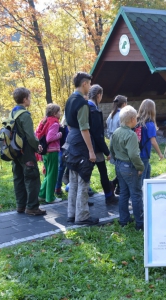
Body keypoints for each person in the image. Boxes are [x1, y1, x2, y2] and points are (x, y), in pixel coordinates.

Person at [64, 72, 99, 225]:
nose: (90, 87)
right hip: (81, 144)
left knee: (73, 182)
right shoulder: (82, 103)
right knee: (83, 181)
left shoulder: (69, 100)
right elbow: (84, 128)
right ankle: (82, 216)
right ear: (84, 84)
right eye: (89, 84)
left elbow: (70, 125)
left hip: (70, 142)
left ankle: (71, 214)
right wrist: (91, 151)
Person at [10, 87, 46, 216]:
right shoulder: (24, 115)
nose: (30, 100)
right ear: (25, 99)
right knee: (32, 178)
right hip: (26, 152)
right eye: (29, 97)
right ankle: (32, 207)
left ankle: (21, 205)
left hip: (14, 151)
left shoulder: (12, 113)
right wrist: (38, 147)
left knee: (18, 178)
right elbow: (30, 136)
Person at [110, 105, 144, 231]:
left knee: (124, 193)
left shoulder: (116, 132)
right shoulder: (131, 135)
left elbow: (112, 150)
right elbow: (134, 154)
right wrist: (140, 166)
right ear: (132, 119)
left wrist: (116, 160)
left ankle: (123, 220)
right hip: (129, 167)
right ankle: (140, 223)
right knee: (136, 194)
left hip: (119, 165)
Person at [87, 84, 117, 205]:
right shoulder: (94, 110)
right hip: (95, 148)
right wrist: (107, 151)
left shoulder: (84, 107)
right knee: (102, 172)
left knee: (86, 174)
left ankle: (82, 198)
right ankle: (109, 196)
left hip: (86, 146)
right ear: (98, 95)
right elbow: (97, 134)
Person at [36, 104, 63, 203]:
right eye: (59, 112)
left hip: (44, 152)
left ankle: (42, 195)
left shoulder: (44, 121)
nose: (60, 114)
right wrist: (59, 134)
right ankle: (50, 198)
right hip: (52, 151)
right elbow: (49, 138)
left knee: (48, 173)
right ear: (54, 113)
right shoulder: (54, 123)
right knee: (52, 174)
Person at [137, 99, 164, 186]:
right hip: (144, 154)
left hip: (136, 153)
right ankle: (140, 196)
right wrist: (160, 153)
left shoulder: (137, 121)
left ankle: (147, 190)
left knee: (148, 169)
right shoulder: (150, 124)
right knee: (142, 177)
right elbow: (153, 141)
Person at [106, 95, 127, 194]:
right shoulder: (121, 116)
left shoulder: (111, 115)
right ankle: (117, 185)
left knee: (118, 166)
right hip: (120, 144)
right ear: (123, 104)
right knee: (122, 166)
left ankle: (117, 185)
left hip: (112, 143)